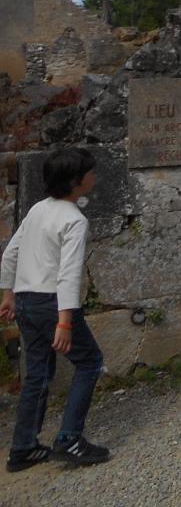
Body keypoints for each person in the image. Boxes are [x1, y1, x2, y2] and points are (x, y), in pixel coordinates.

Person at [0, 148, 110, 470]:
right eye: (90, 172)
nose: (94, 176)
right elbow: (69, 273)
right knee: (90, 362)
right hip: (53, 305)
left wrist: (7, 294)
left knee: (37, 375)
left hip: (26, 301)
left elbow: (10, 254)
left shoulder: (37, 210)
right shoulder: (75, 220)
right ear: (76, 181)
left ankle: (22, 448)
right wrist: (65, 322)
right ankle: (69, 440)